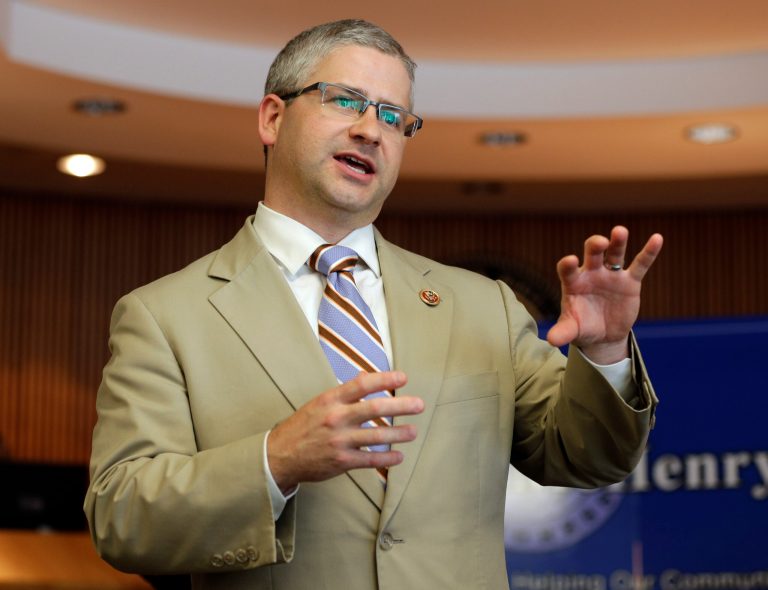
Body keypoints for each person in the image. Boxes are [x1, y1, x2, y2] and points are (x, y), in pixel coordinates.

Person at [85, 19, 663, 590]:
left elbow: (591, 458)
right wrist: (275, 460)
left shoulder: (482, 305)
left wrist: (605, 350)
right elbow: (123, 520)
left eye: (394, 117)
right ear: (272, 117)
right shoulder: (164, 316)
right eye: (346, 101)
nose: (372, 130)